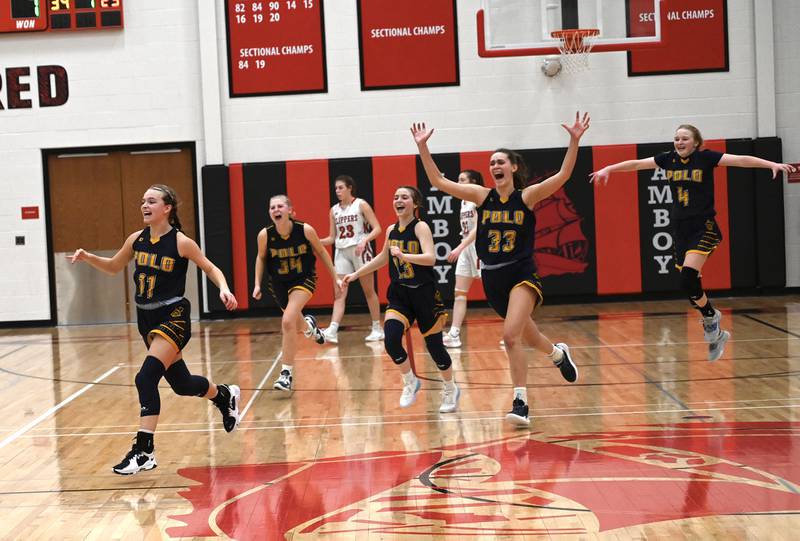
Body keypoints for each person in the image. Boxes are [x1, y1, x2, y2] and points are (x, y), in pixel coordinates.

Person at [411, 112, 590, 427]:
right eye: (491, 162)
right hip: (491, 276)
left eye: (500, 162)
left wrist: (574, 141)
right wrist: (423, 147)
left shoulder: (527, 197)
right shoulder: (482, 197)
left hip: (521, 273)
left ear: (513, 167)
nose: (495, 166)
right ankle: (559, 354)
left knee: (510, 337)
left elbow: (562, 175)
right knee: (530, 337)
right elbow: (438, 181)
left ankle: (520, 402)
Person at [68, 184, 240, 475]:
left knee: (145, 378)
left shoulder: (181, 242)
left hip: (173, 315)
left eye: (151, 201)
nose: (144, 205)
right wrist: (89, 257)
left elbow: (210, 268)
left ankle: (144, 450)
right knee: (183, 385)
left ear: (167, 207)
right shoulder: (136, 239)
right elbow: (113, 267)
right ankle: (223, 395)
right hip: (146, 318)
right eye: (142, 201)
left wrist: (223, 288)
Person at [590, 124, 797, 361]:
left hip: (703, 226)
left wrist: (770, 164)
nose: (679, 142)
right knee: (688, 285)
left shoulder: (706, 158)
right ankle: (714, 325)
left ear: (696, 142)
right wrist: (609, 168)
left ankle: (711, 319)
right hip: (680, 229)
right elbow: (636, 164)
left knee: (689, 275)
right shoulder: (667, 159)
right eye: (676, 138)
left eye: (684, 138)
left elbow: (740, 160)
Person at [342, 186, 460, 413]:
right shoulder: (390, 230)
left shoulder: (421, 227)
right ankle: (410, 381)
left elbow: (431, 258)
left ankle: (450, 387)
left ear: (414, 204)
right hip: (400, 295)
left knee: (435, 349)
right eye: (395, 197)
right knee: (391, 339)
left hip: (424, 294)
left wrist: (404, 256)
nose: (398, 200)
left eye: (404, 197)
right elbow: (383, 257)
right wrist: (357, 274)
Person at [252, 194, 342, 392]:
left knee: (287, 321)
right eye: (272, 207)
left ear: (290, 211)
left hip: (304, 279)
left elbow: (322, 252)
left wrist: (335, 277)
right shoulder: (265, 235)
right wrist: (257, 284)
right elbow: (260, 258)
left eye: (280, 206)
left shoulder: (305, 230)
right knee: (295, 320)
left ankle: (286, 374)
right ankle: (311, 328)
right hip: (278, 284)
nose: (276, 209)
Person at [319, 175, 384, 344]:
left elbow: (377, 228)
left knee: (368, 290)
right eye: (335, 188)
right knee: (339, 293)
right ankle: (332, 330)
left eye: (340, 187)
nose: (337, 191)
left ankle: (377, 328)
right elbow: (332, 237)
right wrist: (316, 242)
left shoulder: (361, 204)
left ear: (349, 188)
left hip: (360, 249)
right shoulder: (334, 210)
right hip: (341, 251)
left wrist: (365, 240)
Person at [442, 169, 484, 348]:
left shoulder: (478, 198)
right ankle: (454, 333)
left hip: (480, 246)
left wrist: (459, 247)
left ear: (473, 181)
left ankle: (517, 330)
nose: (458, 183)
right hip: (466, 247)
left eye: (462, 180)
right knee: (459, 293)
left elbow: (479, 227)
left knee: (498, 290)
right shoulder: (463, 201)